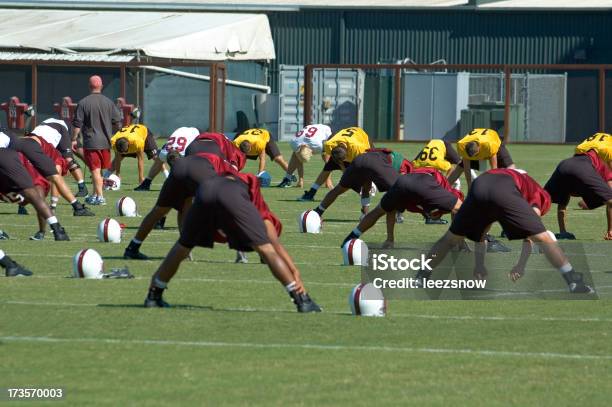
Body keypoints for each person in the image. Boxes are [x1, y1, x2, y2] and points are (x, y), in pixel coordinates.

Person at [144, 174, 321, 313]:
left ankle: (154, 294)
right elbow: (274, 243)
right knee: (266, 248)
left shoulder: (224, 177)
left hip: (204, 190)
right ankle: (301, 299)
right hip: (231, 192)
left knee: (183, 246)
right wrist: (294, 271)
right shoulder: (253, 192)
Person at [417, 168, 593, 294]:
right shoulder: (541, 195)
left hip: (480, 185)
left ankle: (421, 276)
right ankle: (574, 281)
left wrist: (479, 264)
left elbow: (482, 232)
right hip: (503, 188)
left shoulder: (516, 179)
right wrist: (521, 265)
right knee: (545, 238)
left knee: (450, 239)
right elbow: (531, 236)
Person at [124, 151, 235, 260]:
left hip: (177, 172)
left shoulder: (192, 159)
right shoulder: (217, 160)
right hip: (198, 173)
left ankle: (132, 248)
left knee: (158, 212)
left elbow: (183, 209)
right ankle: (242, 246)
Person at [342, 168, 463, 248]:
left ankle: (350, 238)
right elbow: (458, 209)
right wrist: (460, 240)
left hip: (402, 181)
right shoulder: (446, 192)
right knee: (459, 207)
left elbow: (391, 210)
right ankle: (479, 237)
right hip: (424, 182)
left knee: (379, 211)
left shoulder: (419, 201)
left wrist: (390, 239)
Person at [8, 131, 94, 224]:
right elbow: (56, 181)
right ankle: (77, 207)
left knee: (23, 175)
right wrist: (53, 206)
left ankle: (21, 206)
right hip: (32, 144)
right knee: (55, 178)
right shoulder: (58, 158)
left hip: (18, 141)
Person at [544, 136, 612, 240]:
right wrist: (610, 230)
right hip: (582, 168)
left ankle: (562, 232)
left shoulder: (589, 148)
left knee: (544, 200)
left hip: (564, 164)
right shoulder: (605, 158)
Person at [313, 148, 411, 218]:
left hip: (359, 160)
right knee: (395, 190)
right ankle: (399, 215)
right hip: (376, 163)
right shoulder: (402, 162)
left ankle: (318, 211)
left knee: (340, 189)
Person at [72, 75, 122, 205]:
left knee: (94, 170)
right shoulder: (109, 102)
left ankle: (100, 197)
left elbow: (77, 125)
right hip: (106, 143)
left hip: (91, 141)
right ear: (101, 86)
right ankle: (94, 195)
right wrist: (118, 136)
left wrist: (74, 139)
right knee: (98, 170)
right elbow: (117, 122)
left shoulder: (83, 102)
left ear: (89, 86)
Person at [0, 148, 69, 241]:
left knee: (36, 193)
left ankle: (48, 231)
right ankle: (56, 230)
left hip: (18, 164)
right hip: (18, 161)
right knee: (36, 194)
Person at [299, 127, 372, 201]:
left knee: (357, 173)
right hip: (343, 145)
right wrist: (342, 168)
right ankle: (311, 193)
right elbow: (327, 157)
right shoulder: (329, 144)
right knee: (327, 168)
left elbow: (368, 160)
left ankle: (368, 187)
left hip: (360, 137)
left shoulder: (358, 149)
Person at [30, 118, 88, 197]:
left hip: (60, 128)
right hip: (46, 128)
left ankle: (82, 187)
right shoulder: (28, 146)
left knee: (68, 159)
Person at [448, 128, 515, 188]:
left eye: (476, 156)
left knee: (510, 167)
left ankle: (514, 188)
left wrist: (494, 185)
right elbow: (466, 168)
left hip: (493, 140)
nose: (476, 158)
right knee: (460, 168)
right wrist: (469, 185)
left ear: (479, 149)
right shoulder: (462, 145)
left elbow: (494, 167)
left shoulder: (489, 146)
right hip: (477, 140)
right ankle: (445, 188)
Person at [109, 123, 164, 190]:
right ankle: (106, 175)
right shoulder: (114, 141)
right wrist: (117, 174)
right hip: (128, 135)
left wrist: (141, 178)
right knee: (119, 157)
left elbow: (140, 159)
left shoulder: (137, 142)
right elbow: (117, 158)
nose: (125, 153)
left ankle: (167, 175)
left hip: (144, 132)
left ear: (129, 145)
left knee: (155, 157)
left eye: (125, 152)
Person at [277, 124, 333, 189]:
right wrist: (301, 179)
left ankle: (328, 181)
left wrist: (328, 180)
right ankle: (290, 179)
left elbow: (328, 161)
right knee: (297, 156)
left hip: (325, 130)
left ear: (311, 152)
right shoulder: (294, 142)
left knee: (326, 157)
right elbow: (299, 159)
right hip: (307, 137)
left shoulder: (318, 146)